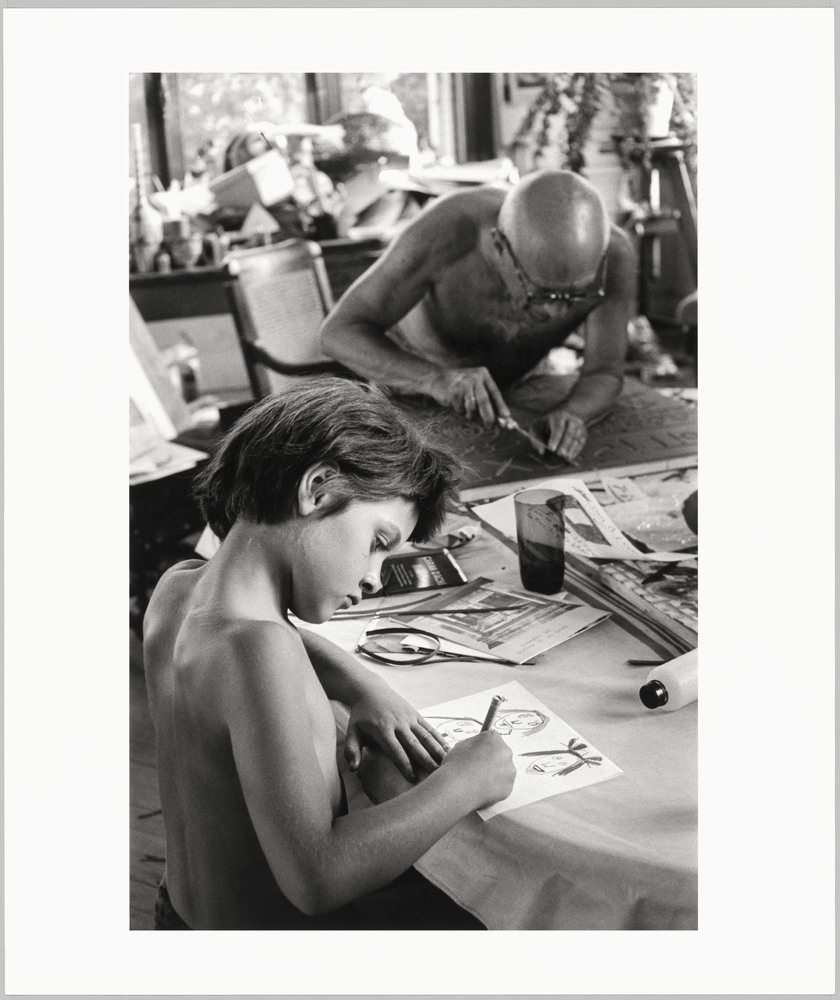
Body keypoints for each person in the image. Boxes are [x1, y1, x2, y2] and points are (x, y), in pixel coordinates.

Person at [142, 377, 515, 930]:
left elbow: (260, 644)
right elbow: (317, 878)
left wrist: (366, 687)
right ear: (318, 489)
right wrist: (466, 779)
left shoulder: (178, 591)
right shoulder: (261, 652)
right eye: (378, 543)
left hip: (180, 916)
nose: (373, 577)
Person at [320, 168, 638, 463]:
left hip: (517, 392)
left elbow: (604, 371)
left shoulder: (615, 256)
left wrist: (573, 414)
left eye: (577, 295)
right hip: (411, 386)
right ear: (499, 247)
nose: (555, 312)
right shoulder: (448, 230)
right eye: (539, 294)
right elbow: (338, 332)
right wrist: (434, 379)